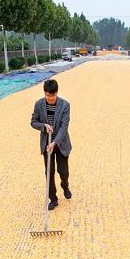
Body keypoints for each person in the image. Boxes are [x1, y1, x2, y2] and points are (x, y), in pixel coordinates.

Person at [30, 79, 72, 210]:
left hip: (61, 143)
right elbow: (33, 122)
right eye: (48, 95)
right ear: (44, 93)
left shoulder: (65, 105)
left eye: (53, 95)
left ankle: (65, 185)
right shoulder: (39, 104)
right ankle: (53, 199)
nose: (50, 98)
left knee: (63, 171)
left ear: (57, 93)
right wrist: (43, 126)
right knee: (49, 172)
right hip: (46, 144)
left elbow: (64, 127)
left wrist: (55, 142)